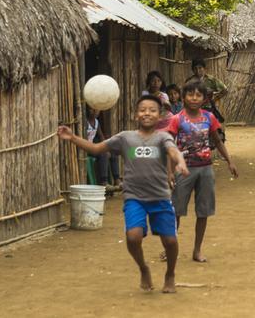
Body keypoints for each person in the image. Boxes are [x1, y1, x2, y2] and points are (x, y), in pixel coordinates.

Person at [58, 95, 188, 293]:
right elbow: (96, 148)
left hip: (160, 197)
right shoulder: (125, 138)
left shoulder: (163, 137)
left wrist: (181, 162)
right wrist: (73, 138)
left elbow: (173, 151)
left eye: (152, 110)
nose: (147, 113)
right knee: (133, 237)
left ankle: (170, 274)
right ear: (136, 114)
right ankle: (143, 268)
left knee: (170, 241)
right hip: (134, 197)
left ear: (159, 115)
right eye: (143, 109)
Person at [165, 79, 238, 263]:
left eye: (198, 95)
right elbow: (169, 146)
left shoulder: (209, 118)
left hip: (205, 170)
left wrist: (229, 161)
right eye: (190, 94)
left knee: (203, 211)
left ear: (205, 99)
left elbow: (218, 141)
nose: (194, 98)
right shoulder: (177, 119)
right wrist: (169, 172)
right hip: (183, 169)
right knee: (176, 211)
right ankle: (170, 248)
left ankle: (197, 250)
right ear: (183, 97)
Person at [85, 107, 119, 187]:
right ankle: (104, 181)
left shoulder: (96, 122)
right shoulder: (85, 122)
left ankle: (117, 179)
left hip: (93, 147)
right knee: (103, 154)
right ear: (87, 110)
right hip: (86, 148)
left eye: (97, 110)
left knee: (113, 152)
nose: (95, 112)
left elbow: (101, 136)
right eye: (91, 109)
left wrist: (106, 147)